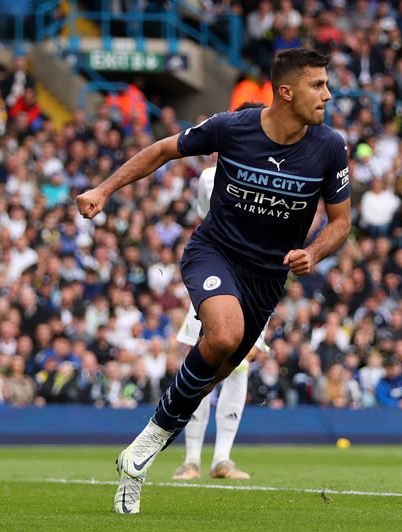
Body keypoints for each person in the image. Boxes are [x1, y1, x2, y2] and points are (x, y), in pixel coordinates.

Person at [76, 48, 352, 514]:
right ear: (285, 92)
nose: (328, 94)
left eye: (326, 84)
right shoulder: (232, 127)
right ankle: (154, 449)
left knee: (213, 375)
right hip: (214, 253)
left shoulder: (330, 146)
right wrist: (103, 189)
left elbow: (341, 221)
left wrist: (314, 251)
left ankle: (139, 451)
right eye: (317, 85)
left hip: (268, 277)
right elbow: (164, 149)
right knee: (224, 334)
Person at [171, 103, 269, 482]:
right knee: (205, 359)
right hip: (224, 274)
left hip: (254, 281)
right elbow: (208, 218)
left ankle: (220, 459)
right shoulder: (213, 176)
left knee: (239, 368)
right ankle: (192, 459)